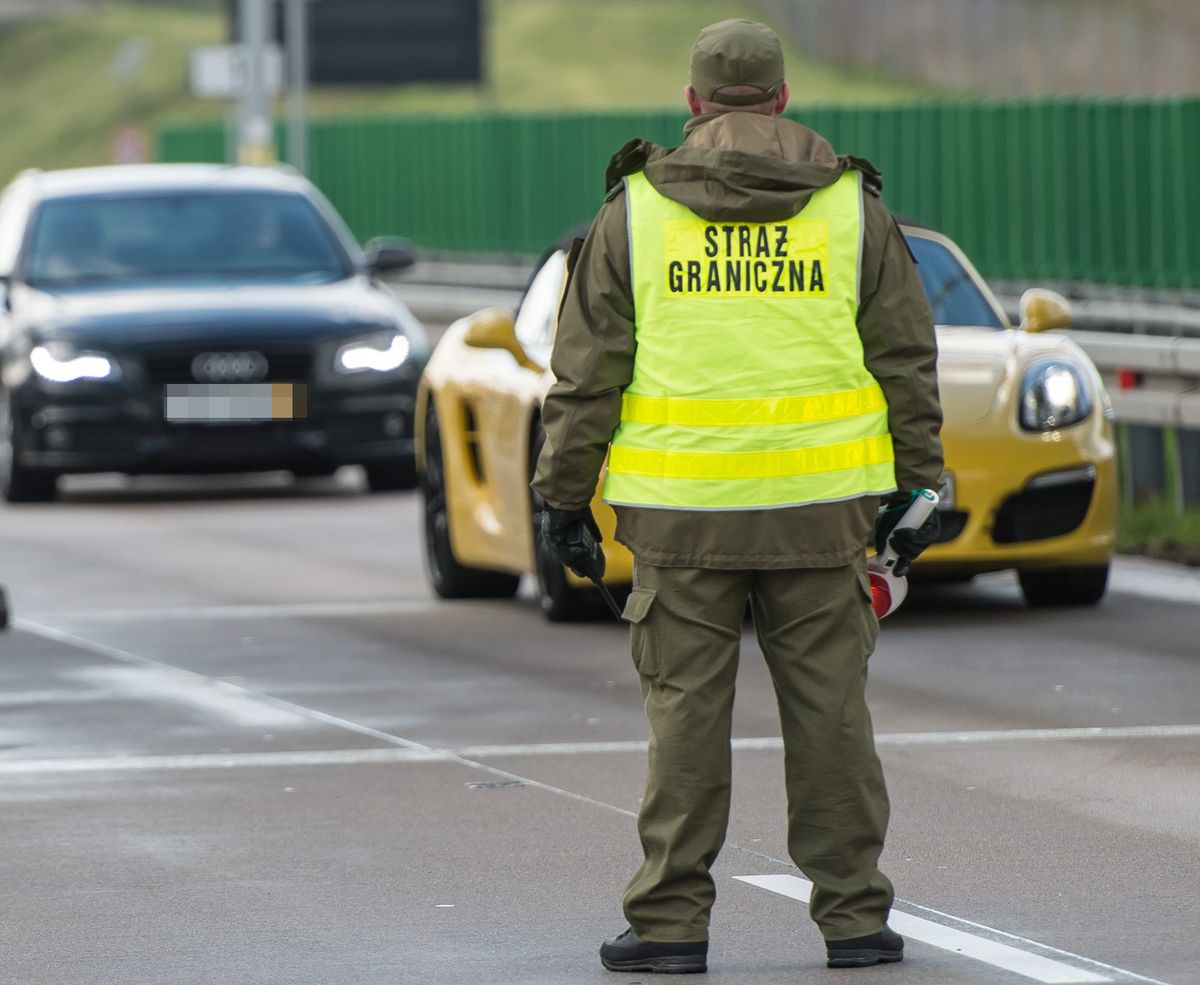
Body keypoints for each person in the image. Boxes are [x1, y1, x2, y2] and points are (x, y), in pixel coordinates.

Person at [533, 18, 944, 975]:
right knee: (832, 717)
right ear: (784, 99)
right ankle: (854, 921)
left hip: (680, 520)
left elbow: (585, 372)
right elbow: (906, 359)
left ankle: (671, 926)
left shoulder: (634, 212)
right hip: (822, 514)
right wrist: (919, 483)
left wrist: (563, 496)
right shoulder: (850, 209)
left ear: (691, 104)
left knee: (684, 719)